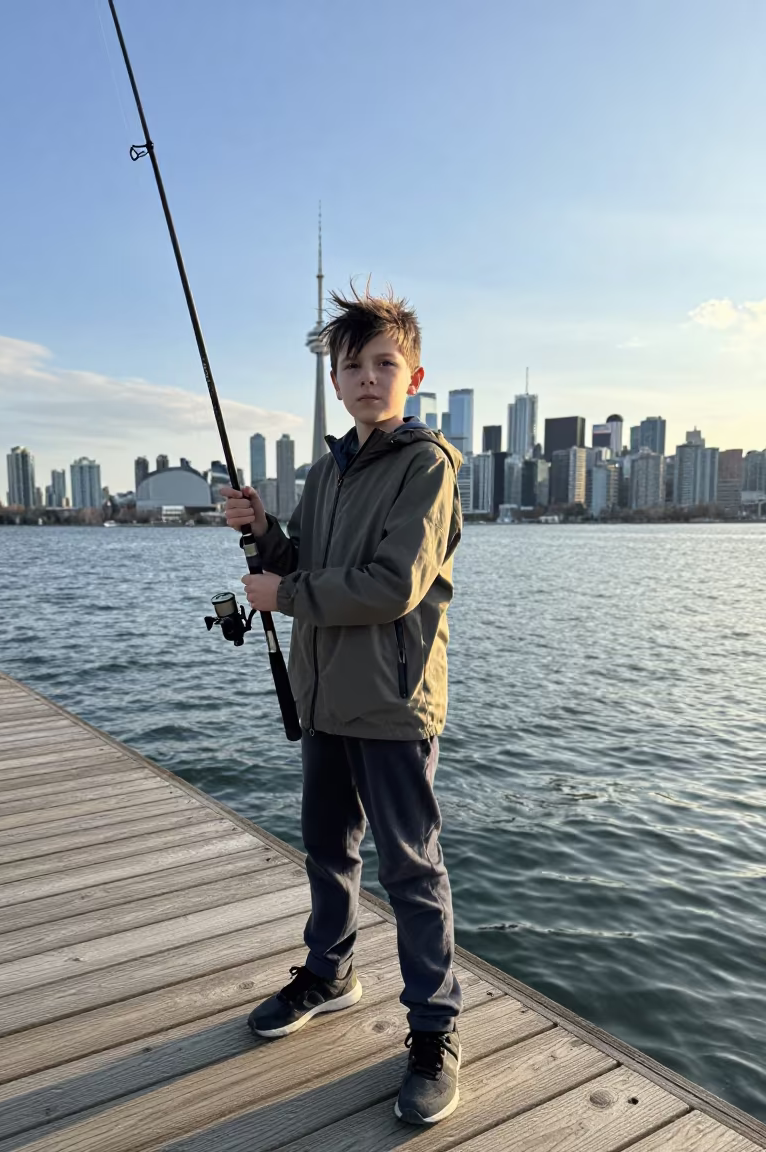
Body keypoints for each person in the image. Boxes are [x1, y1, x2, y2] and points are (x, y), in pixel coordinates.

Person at [221, 286, 463, 1126]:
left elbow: (392, 586)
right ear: (335, 381)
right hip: (325, 699)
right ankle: (330, 972)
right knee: (328, 848)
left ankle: (434, 1029)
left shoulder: (426, 465)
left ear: (415, 375)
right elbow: (307, 560)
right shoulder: (327, 471)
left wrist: (282, 590)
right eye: (352, 365)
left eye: (384, 363)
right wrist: (265, 529)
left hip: (393, 705)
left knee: (411, 868)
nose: (368, 378)